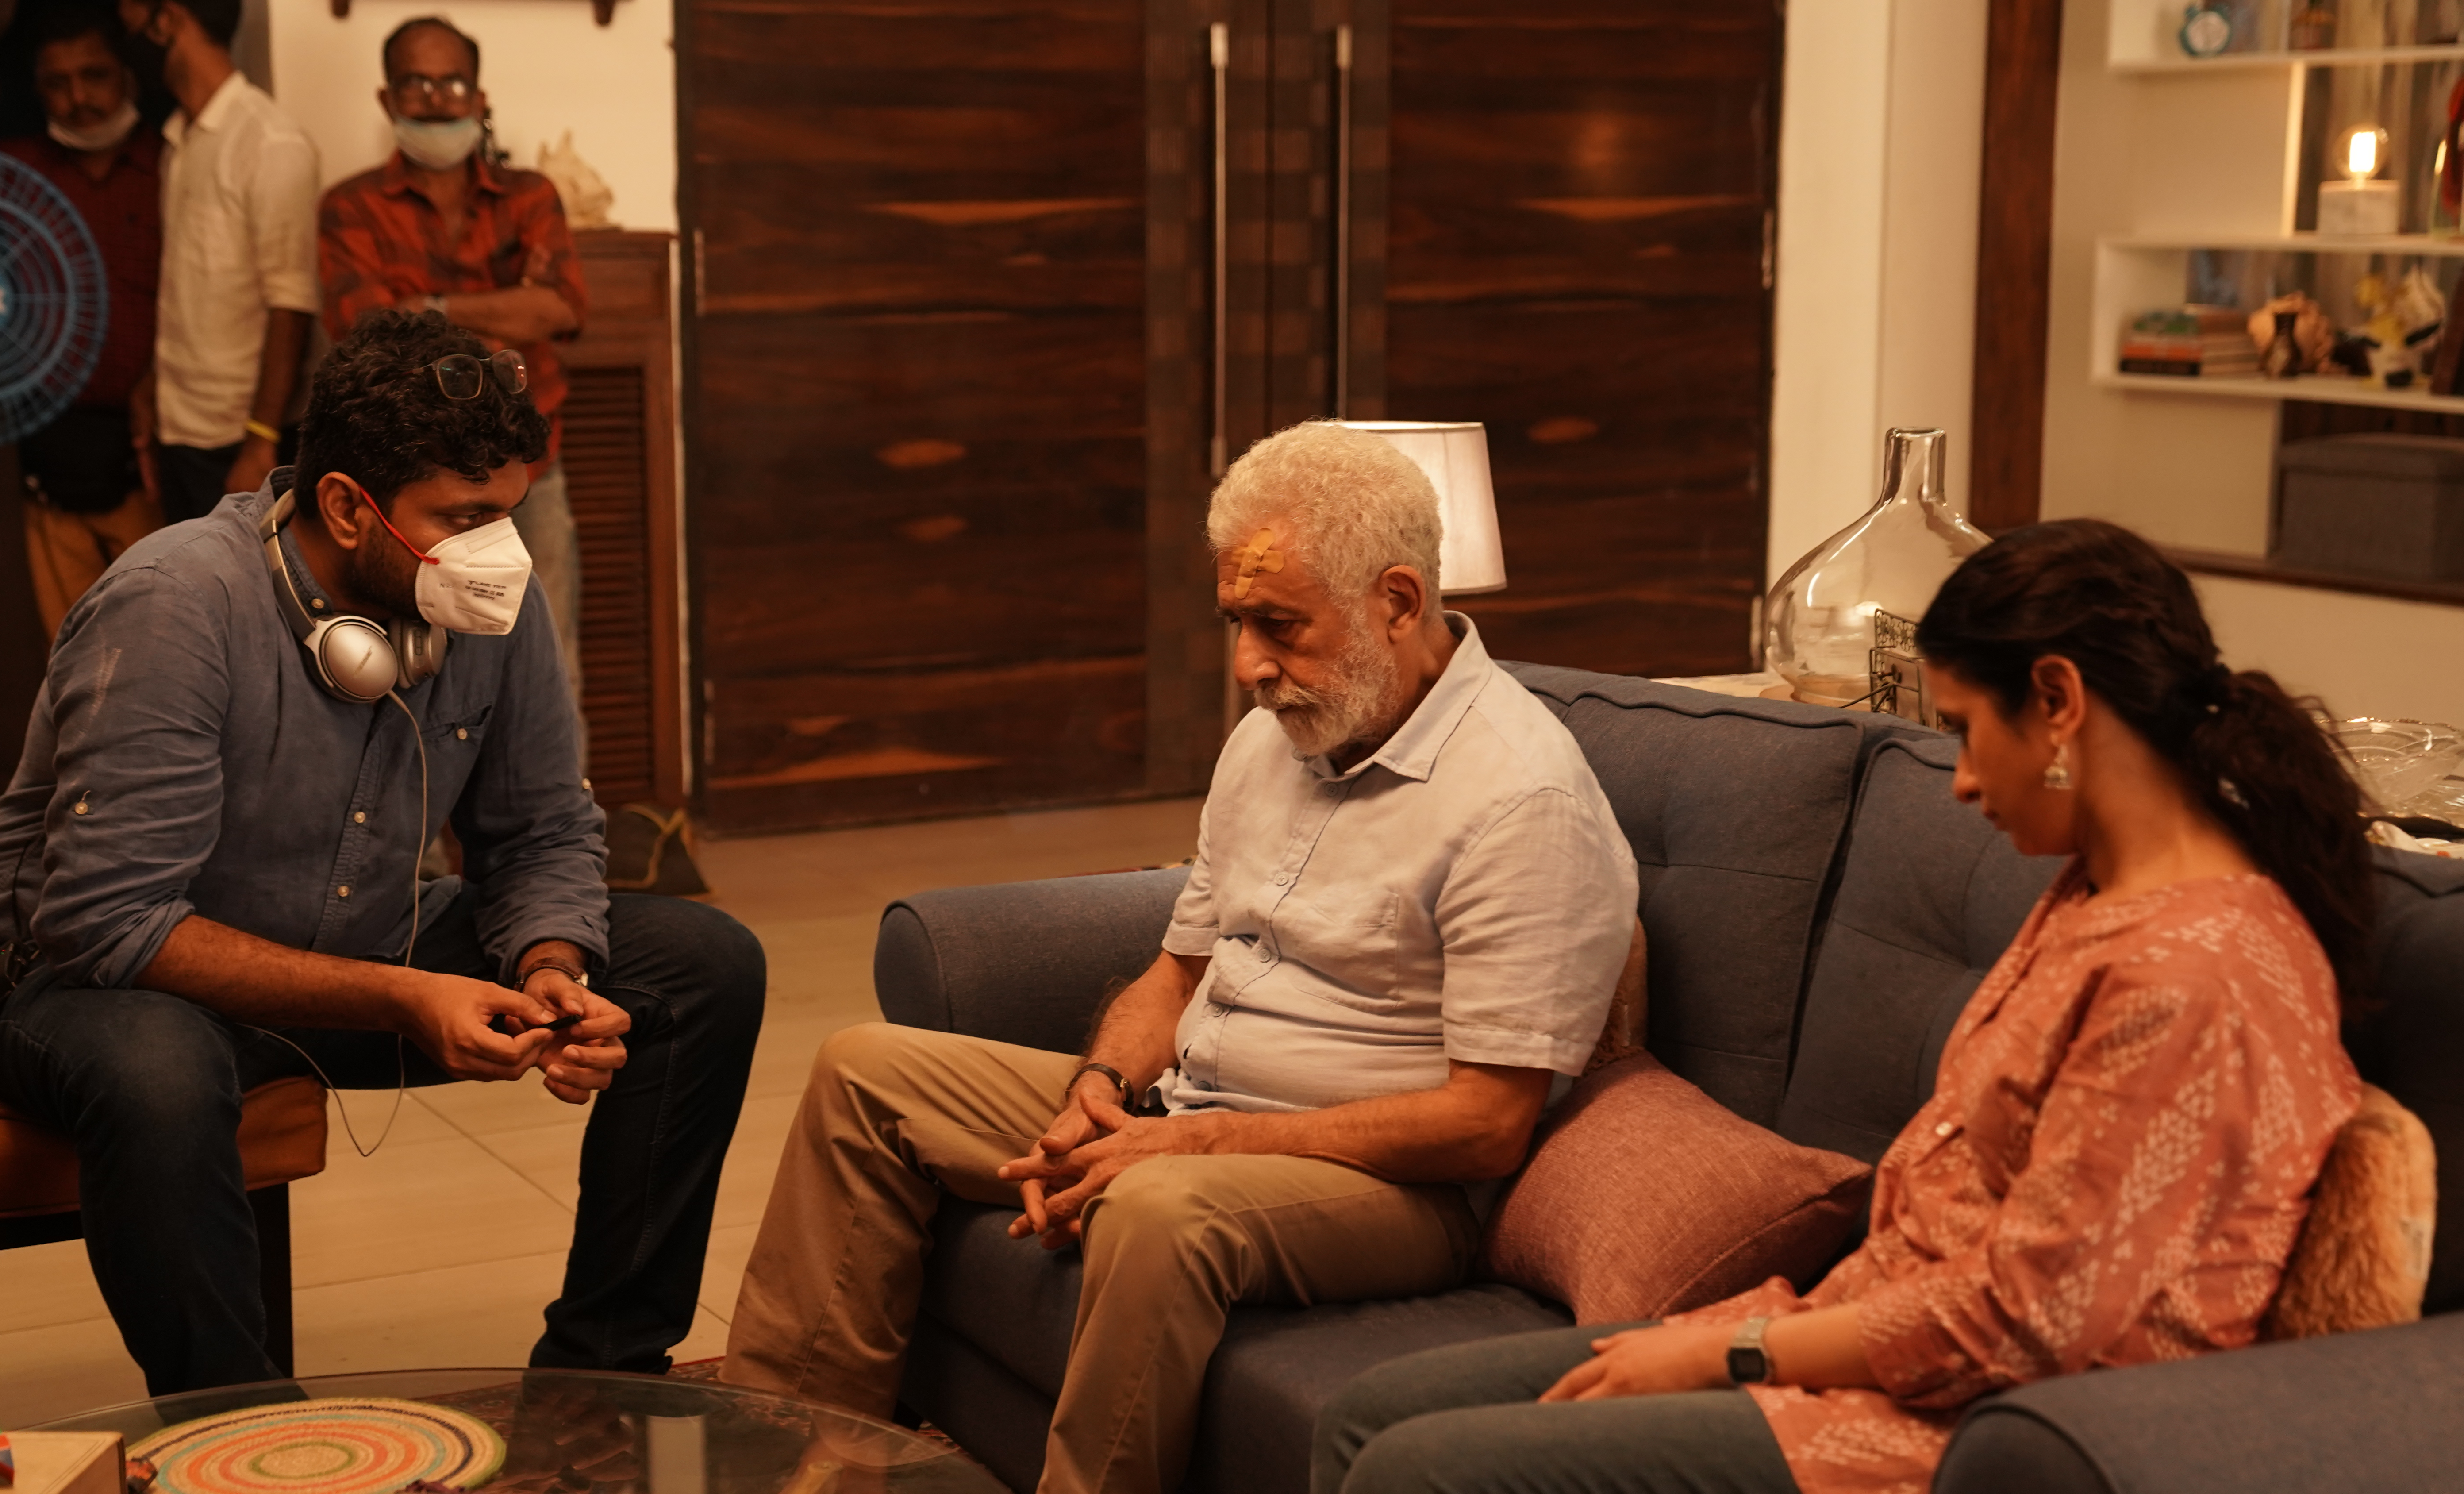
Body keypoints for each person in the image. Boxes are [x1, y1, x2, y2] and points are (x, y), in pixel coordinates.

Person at [1313, 518, 2371, 1494]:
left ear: (2057, 700)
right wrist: (1760, 1337)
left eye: (1963, 729)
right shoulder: (2092, 893)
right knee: (1371, 1413)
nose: (1956, 780)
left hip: (1968, 1420)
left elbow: (2034, 1317)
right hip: (1857, 1335)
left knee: (1428, 1469)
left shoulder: (2197, 973)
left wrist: (1724, 1350)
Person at [722, 420, 1641, 1494]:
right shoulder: (1273, 739)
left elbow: (1487, 1123)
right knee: (863, 1070)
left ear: (1397, 602)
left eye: (1280, 625)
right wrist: (1102, 1090)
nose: (1248, 664)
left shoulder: (1520, 798)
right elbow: (1179, 973)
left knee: (1156, 1212)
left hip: (1393, 1186)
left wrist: (1193, 1151)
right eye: (1236, 622)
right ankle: (788, 1465)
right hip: (1200, 1113)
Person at [0, 309, 766, 1396]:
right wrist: (406, 996)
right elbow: (110, 920)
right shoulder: (179, 602)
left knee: (703, 964)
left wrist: (551, 969)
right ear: (344, 506)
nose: (495, 550)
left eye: (505, 512)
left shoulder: (489, 604)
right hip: (77, 976)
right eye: (461, 516)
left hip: (346, 933)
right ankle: (236, 1432)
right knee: (160, 1070)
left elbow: (546, 831)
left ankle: (602, 1381)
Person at [317, 16, 590, 724]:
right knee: (406, 672)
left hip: (529, 474)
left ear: (479, 96)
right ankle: (414, 841)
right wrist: (507, 309)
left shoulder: (532, 196)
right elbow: (369, 334)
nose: (437, 100)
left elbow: (560, 309)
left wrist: (429, 305)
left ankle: (553, 835)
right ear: (387, 99)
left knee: (548, 669)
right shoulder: (348, 207)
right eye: (417, 83)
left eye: (453, 83)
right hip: (407, 485)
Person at [0, 5, 165, 640]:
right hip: (44, 461)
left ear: (127, 75)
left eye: (94, 76)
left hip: (149, 463)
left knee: (163, 646)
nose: (78, 99)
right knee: (71, 656)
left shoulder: (177, 166)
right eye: (57, 84)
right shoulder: (9, 174)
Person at [120, 0, 319, 523]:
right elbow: (190, 287)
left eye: (130, 16)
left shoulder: (269, 141)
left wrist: (260, 441)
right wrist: (151, 383)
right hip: (177, 431)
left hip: (236, 444)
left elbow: (291, 305)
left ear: (166, 21)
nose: (123, 33)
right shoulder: (177, 142)